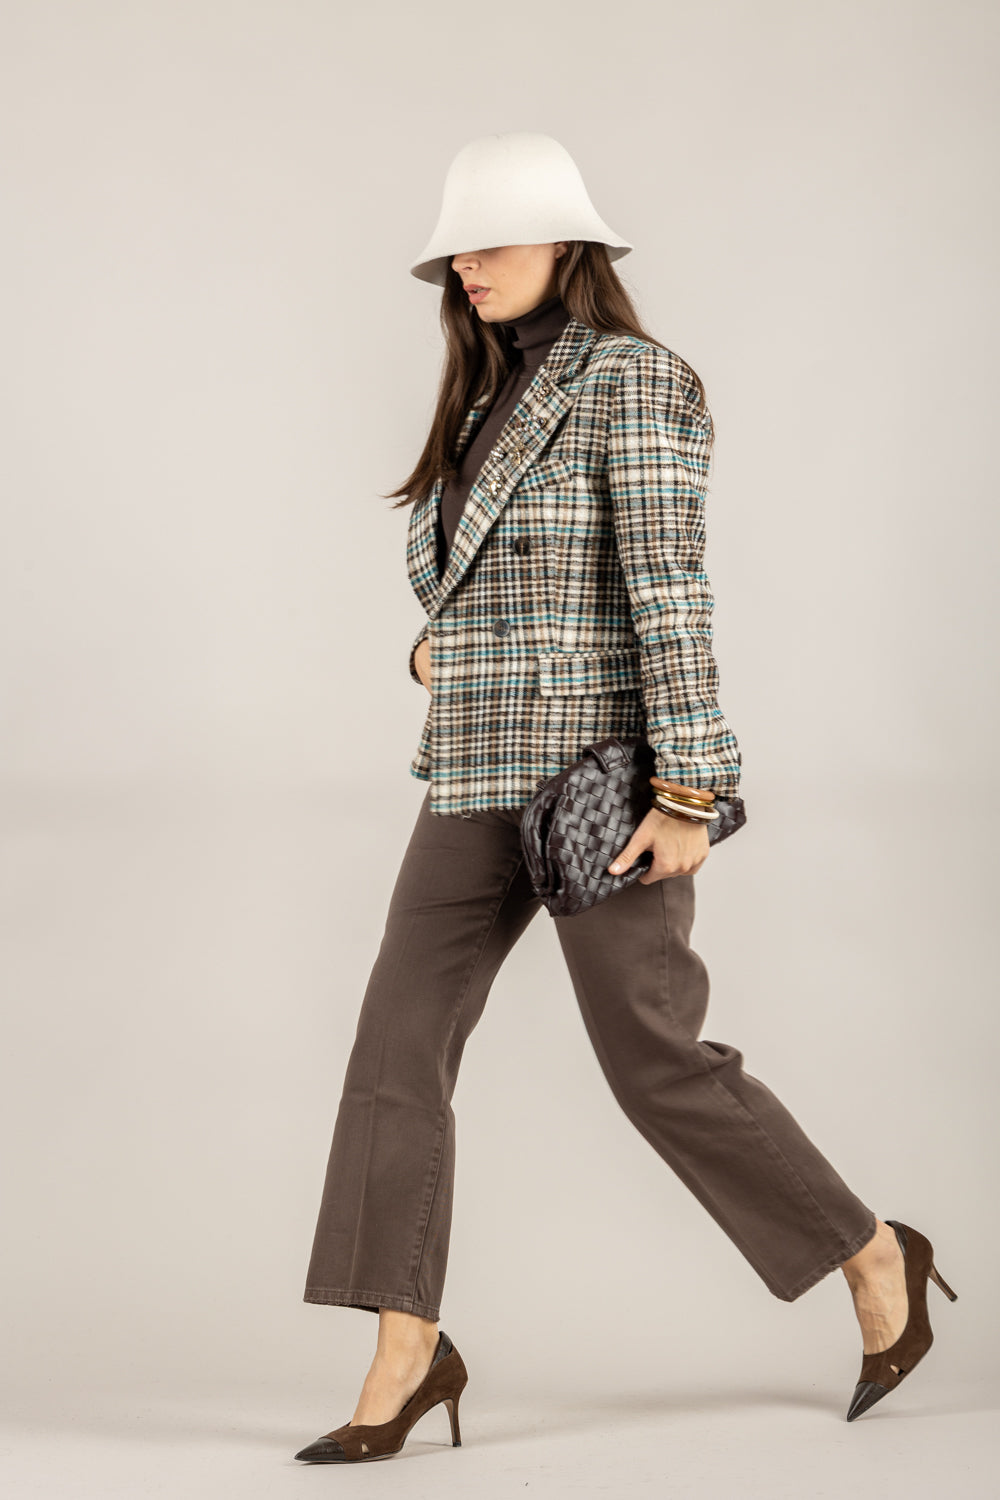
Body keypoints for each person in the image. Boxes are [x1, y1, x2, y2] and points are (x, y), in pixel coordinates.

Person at [293, 133, 957, 1465]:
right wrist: (431, 650)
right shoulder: (479, 397)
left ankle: (873, 1251)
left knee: (652, 1059)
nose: (467, 268)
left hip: (597, 781)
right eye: (456, 251)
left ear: (568, 246)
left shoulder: (636, 380)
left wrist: (692, 790)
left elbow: (668, 591)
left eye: (492, 242)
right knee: (394, 1051)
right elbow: (478, 585)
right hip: (472, 772)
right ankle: (407, 1350)